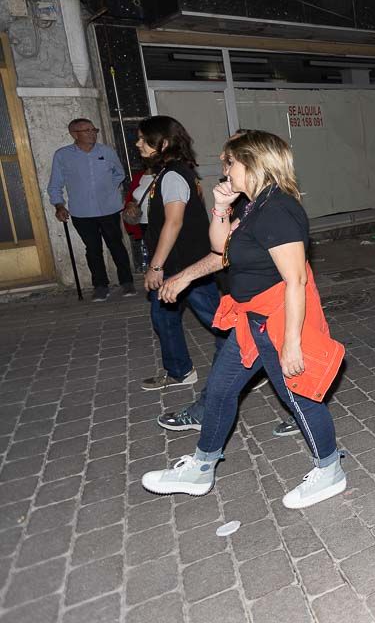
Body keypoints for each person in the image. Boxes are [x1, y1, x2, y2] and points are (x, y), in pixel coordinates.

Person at [141, 130, 347, 509]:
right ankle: (201, 468)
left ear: (252, 163)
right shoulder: (254, 205)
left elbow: (296, 279)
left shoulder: (278, 210)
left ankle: (330, 469)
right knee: (219, 390)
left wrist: (292, 343)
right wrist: (221, 207)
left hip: (277, 320)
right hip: (251, 318)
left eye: (230, 163)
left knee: (298, 397)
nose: (224, 170)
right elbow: (223, 249)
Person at [134, 116, 226, 391]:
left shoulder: (173, 175)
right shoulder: (167, 173)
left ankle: (252, 360)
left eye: (143, 139)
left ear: (162, 143)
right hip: (177, 263)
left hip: (185, 264)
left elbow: (173, 222)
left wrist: (156, 266)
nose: (138, 144)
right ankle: (179, 371)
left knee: (219, 320)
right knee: (163, 317)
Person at [48, 118, 135, 301]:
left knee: (116, 246)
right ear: (74, 134)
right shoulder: (62, 155)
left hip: (109, 209)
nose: (92, 133)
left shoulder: (106, 151)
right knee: (93, 249)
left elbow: (120, 173)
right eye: (86, 130)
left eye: (93, 129)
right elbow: (55, 184)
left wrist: (108, 189)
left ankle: (127, 282)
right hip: (82, 211)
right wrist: (59, 205)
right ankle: (101, 286)